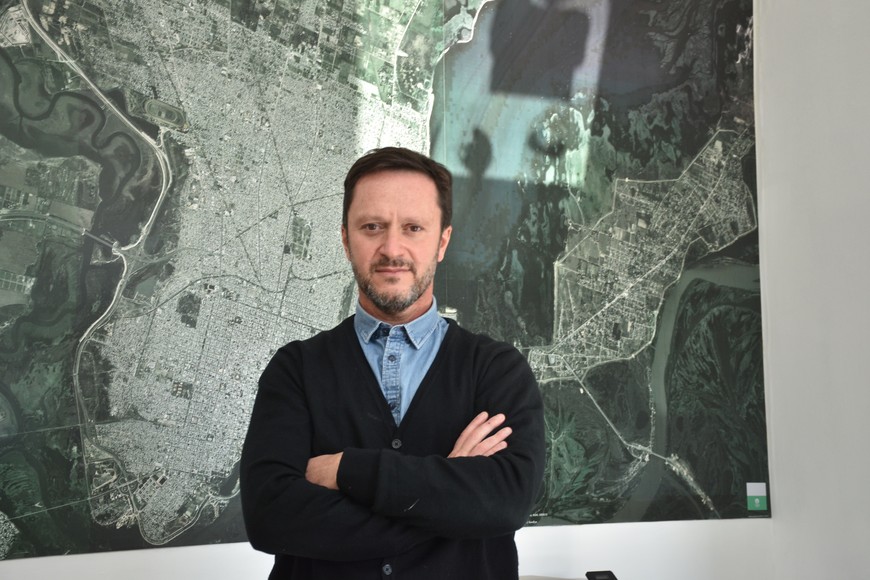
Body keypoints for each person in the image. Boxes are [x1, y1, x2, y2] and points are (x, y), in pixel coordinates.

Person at [240, 146, 546, 579]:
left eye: (413, 228)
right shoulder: (296, 370)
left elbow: (507, 502)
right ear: (346, 239)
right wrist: (451, 494)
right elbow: (270, 518)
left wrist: (346, 469)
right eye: (372, 227)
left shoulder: (498, 370)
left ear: (442, 242)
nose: (391, 248)